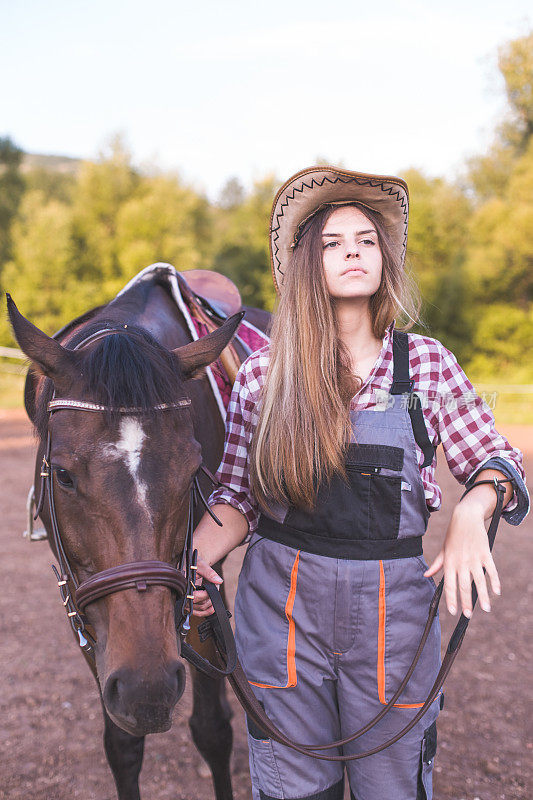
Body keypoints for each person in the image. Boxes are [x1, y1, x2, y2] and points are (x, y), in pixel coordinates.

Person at [191, 166, 530, 800]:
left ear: (385, 260)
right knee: (292, 787)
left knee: (392, 785)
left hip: (394, 617)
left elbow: (497, 460)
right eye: (333, 241)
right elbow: (235, 497)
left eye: (367, 239)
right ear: (304, 265)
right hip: (282, 613)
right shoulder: (264, 375)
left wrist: (470, 512)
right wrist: (190, 564)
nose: (354, 250)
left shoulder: (426, 365)